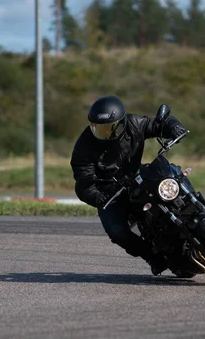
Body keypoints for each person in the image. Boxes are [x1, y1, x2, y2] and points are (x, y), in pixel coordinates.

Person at [70, 95, 187, 275]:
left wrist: (172, 126)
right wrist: (99, 196)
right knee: (117, 232)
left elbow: (157, 124)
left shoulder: (134, 124)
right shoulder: (84, 147)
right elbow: (84, 182)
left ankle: (198, 210)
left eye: (109, 129)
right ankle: (152, 257)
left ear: (121, 123)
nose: (104, 134)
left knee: (173, 172)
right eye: (98, 129)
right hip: (110, 192)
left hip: (137, 176)